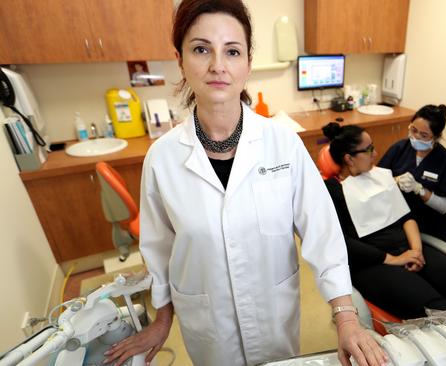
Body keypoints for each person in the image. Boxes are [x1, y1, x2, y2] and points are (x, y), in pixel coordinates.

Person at [104, 1, 387, 365]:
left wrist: (346, 319)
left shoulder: (284, 145)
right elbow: (159, 250)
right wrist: (162, 318)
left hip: (274, 320)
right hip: (207, 326)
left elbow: (324, 235)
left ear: (247, 63)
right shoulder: (162, 159)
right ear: (180, 59)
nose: (217, 65)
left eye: (232, 51)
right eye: (201, 49)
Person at [321, 122, 446, 320]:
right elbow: (343, 242)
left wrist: (416, 251)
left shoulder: (380, 176)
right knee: (439, 312)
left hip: (410, 248)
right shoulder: (331, 191)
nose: (376, 153)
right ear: (349, 159)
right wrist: (394, 259)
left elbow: (406, 216)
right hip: (373, 262)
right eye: (369, 149)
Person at [378, 104, 446, 243]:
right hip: (398, 219)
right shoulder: (399, 148)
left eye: (424, 135)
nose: (416, 137)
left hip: (429, 225)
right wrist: (395, 180)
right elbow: (377, 181)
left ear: (437, 137)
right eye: (413, 130)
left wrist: (420, 190)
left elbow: (444, 207)